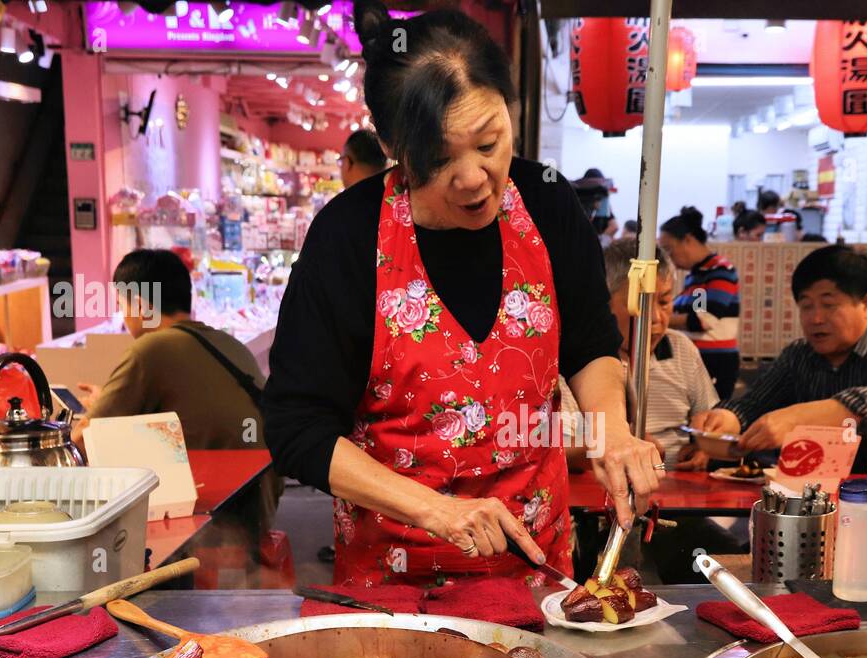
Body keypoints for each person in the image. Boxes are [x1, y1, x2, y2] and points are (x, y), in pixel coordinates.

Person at [263, 1, 660, 589]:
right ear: (392, 144)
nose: (474, 178)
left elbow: (590, 343)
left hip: (538, 576)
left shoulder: (547, 202)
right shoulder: (347, 237)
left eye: (488, 142)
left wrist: (612, 430)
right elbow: (297, 428)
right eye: (439, 158)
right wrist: (436, 510)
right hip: (395, 587)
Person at [691, 244, 867, 475]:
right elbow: (754, 404)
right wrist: (726, 419)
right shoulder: (799, 355)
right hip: (831, 502)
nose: (815, 318)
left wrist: (797, 418)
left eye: (829, 305)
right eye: (806, 306)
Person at [76, 249, 282, 527]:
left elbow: (84, 438)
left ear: (140, 306)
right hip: (262, 497)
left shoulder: (150, 349)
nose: (123, 316)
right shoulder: (226, 342)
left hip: (221, 516)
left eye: (121, 305)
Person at [559, 240, 718, 471]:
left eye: (664, 301)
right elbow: (557, 450)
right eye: (641, 304)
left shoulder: (680, 348)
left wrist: (704, 446)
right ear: (603, 303)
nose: (655, 318)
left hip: (677, 494)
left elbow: (708, 418)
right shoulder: (579, 362)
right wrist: (617, 441)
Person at [660, 206, 741, 403]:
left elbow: (702, 319)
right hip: (698, 358)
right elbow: (697, 313)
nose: (669, 257)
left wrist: (659, 319)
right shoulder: (697, 275)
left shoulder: (719, 270)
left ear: (688, 240)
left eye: (669, 249)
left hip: (715, 361)